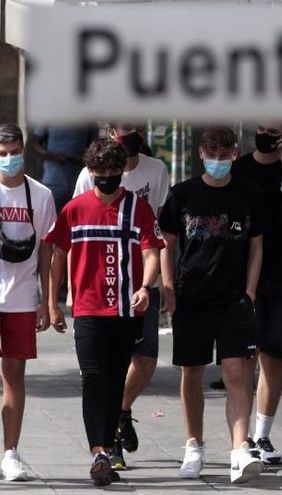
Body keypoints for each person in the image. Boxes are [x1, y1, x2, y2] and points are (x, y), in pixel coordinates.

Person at [47, 139, 164, 486]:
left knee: (115, 380)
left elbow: (152, 252)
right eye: (101, 173)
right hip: (87, 308)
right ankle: (98, 451)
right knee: (93, 378)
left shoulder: (138, 208)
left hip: (126, 308)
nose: (107, 179)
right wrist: (53, 301)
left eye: (114, 173)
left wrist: (146, 287)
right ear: (91, 173)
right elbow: (57, 252)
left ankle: (110, 444)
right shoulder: (75, 209)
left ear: (121, 174)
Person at [159, 127, 265, 484]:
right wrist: (169, 286)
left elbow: (256, 247)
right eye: (212, 154)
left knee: (237, 373)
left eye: (224, 154)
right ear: (201, 154)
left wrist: (250, 291)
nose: (218, 161)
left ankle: (239, 449)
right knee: (193, 372)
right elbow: (167, 244)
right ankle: (194, 445)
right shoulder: (181, 195)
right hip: (192, 297)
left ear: (234, 154)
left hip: (234, 299)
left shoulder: (249, 194)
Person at [72, 123, 170, 470]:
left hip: (137, 291)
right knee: (96, 376)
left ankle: (120, 414)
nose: (108, 177)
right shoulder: (85, 185)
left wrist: (157, 284)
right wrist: (67, 294)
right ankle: (104, 447)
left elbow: (161, 238)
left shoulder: (155, 174)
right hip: (93, 298)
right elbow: (72, 239)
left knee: (139, 364)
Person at [230, 122, 282, 464]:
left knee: (273, 357)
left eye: (274, 130)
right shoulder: (240, 169)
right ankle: (243, 436)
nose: (265, 134)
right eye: (261, 127)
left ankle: (262, 435)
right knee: (246, 359)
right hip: (245, 277)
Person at [0, 124, 58, 481]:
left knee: (14, 375)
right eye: (3, 153)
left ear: (24, 151)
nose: (9, 159)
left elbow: (47, 252)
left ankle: (10, 452)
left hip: (21, 298)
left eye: (14, 151)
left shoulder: (41, 195)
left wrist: (47, 302)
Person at [32, 125, 98, 213]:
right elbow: (34, 145)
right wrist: (53, 156)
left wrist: (83, 158)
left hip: (79, 184)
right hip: (53, 183)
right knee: (52, 222)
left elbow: (95, 146)